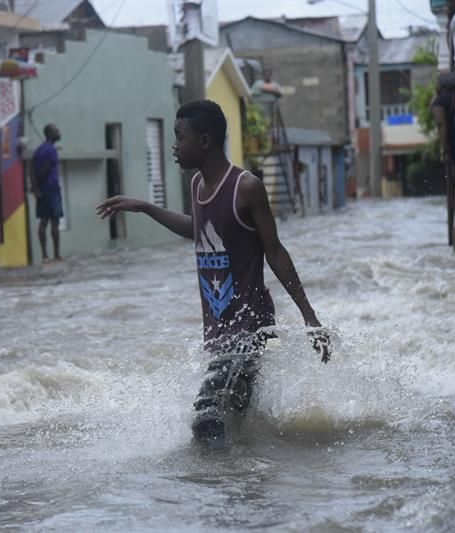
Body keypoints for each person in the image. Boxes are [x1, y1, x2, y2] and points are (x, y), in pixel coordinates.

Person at [95, 100, 330, 445]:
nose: (174, 146)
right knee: (233, 416)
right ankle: (248, 483)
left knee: (206, 417)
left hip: (250, 326)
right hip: (220, 327)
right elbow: (199, 227)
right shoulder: (197, 187)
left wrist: (309, 317)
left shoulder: (245, 187)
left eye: (179, 137)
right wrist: (144, 207)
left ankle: (220, 490)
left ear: (204, 141)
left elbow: (275, 251)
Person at [31, 124, 63, 263]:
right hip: (51, 189)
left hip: (42, 190)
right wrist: (39, 183)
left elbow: (31, 170)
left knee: (43, 222)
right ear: (49, 133)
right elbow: (45, 169)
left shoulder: (38, 150)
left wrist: (35, 188)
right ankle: (56, 255)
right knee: (54, 222)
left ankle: (44, 256)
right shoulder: (51, 150)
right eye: (56, 130)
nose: (59, 132)